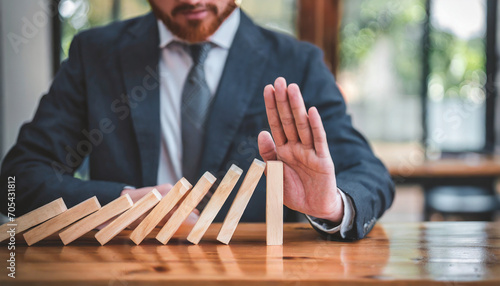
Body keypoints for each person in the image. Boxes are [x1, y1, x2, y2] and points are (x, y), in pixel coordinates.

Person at [0, 0, 394, 240]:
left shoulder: (297, 62)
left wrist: (332, 205)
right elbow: (16, 183)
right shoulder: (94, 54)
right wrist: (118, 203)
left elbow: (369, 175)